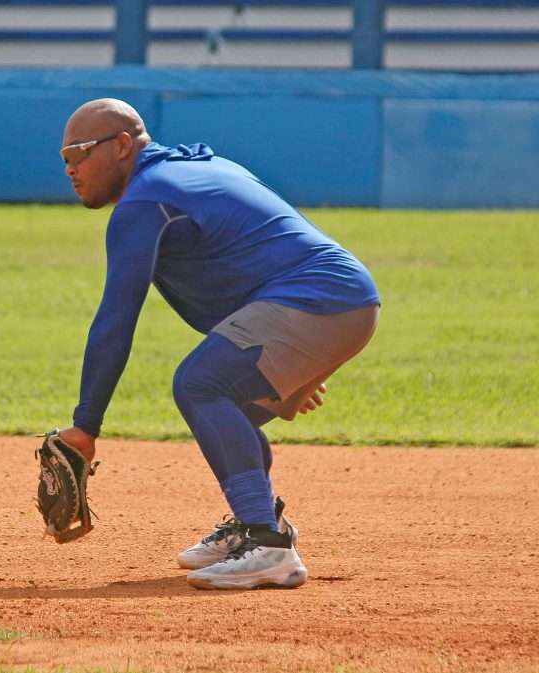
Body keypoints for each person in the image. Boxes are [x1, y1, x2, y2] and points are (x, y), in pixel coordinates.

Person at [55, 98, 380, 590]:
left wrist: (86, 425)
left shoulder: (145, 202)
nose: (71, 169)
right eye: (64, 160)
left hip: (317, 296)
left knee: (201, 384)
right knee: (231, 405)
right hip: (335, 298)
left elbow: (115, 321)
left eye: (78, 153)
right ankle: (256, 521)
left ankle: (266, 542)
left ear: (122, 145)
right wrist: (289, 361)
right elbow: (254, 251)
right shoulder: (194, 167)